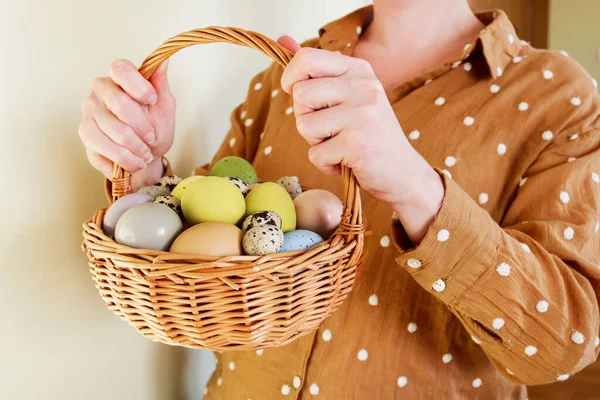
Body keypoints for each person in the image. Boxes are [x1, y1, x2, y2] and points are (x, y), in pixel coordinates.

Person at [78, 1, 600, 398]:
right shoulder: (285, 75)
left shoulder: (557, 98)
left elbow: (560, 347)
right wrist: (145, 167)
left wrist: (416, 185)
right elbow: (207, 253)